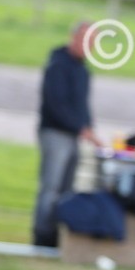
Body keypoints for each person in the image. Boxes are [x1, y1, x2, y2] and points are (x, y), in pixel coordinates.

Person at [33, 21, 103, 247]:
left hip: (73, 135)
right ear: (73, 37)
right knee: (51, 188)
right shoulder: (58, 65)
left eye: (92, 42)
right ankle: (42, 235)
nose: (87, 46)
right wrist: (82, 128)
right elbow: (56, 103)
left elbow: (81, 105)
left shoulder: (82, 70)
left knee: (67, 189)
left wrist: (88, 126)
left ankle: (59, 236)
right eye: (84, 39)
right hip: (55, 133)